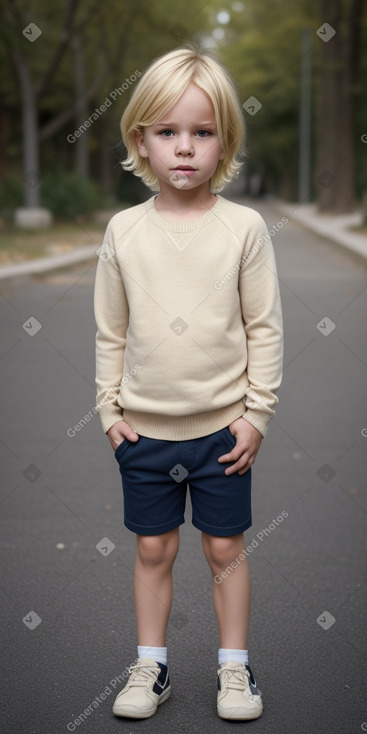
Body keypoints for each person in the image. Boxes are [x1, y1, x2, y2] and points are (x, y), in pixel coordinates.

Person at [94, 44, 283, 721]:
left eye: (202, 133)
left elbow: (262, 327)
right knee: (152, 548)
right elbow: (110, 330)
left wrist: (254, 415)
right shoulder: (123, 231)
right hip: (142, 429)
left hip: (220, 431)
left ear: (224, 142)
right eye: (167, 131)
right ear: (139, 138)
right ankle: (152, 665)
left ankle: (235, 671)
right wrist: (106, 407)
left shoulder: (243, 229)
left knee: (225, 548)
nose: (183, 148)